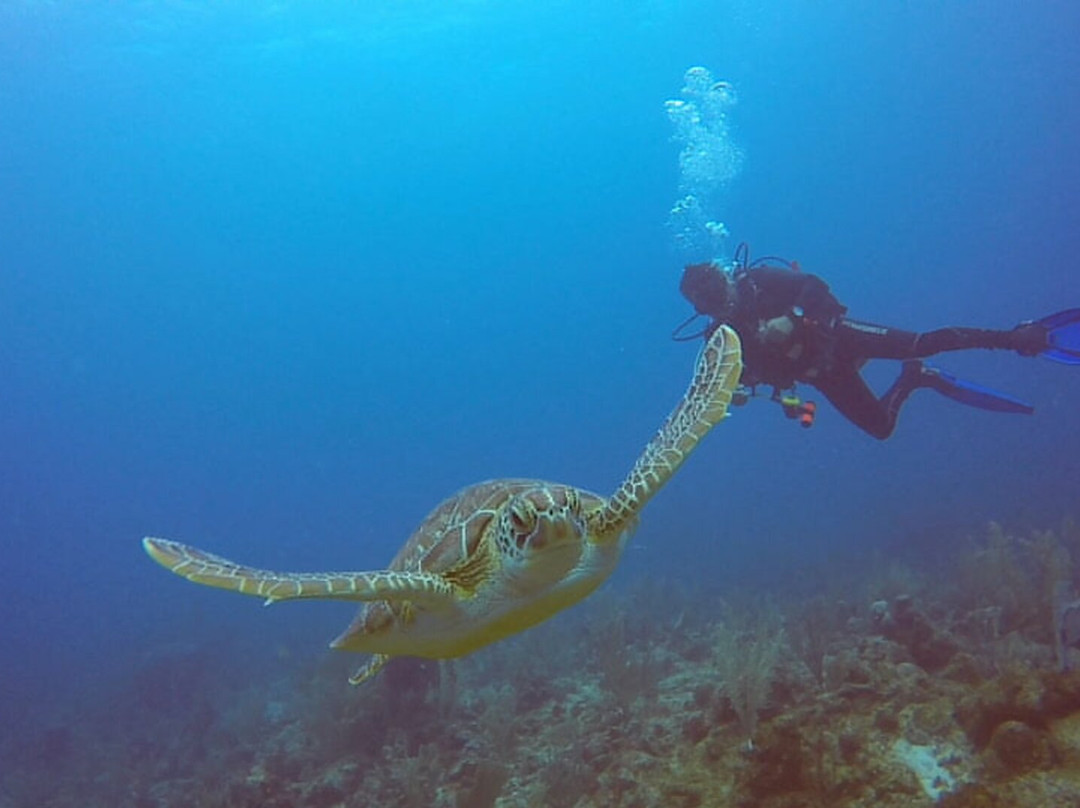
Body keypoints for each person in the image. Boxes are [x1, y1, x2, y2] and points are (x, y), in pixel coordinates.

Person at [675, 243, 1080, 439]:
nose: (720, 303)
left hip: (840, 340)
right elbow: (730, 387)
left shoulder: (759, 283)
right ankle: (916, 378)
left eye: (718, 289)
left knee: (923, 341)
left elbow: (813, 286)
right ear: (702, 308)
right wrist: (735, 389)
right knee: (880, 428)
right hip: (823, 375)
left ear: (726, 276)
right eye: (708, 302)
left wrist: (792, 317)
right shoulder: (721, 340)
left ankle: (1017, 337)